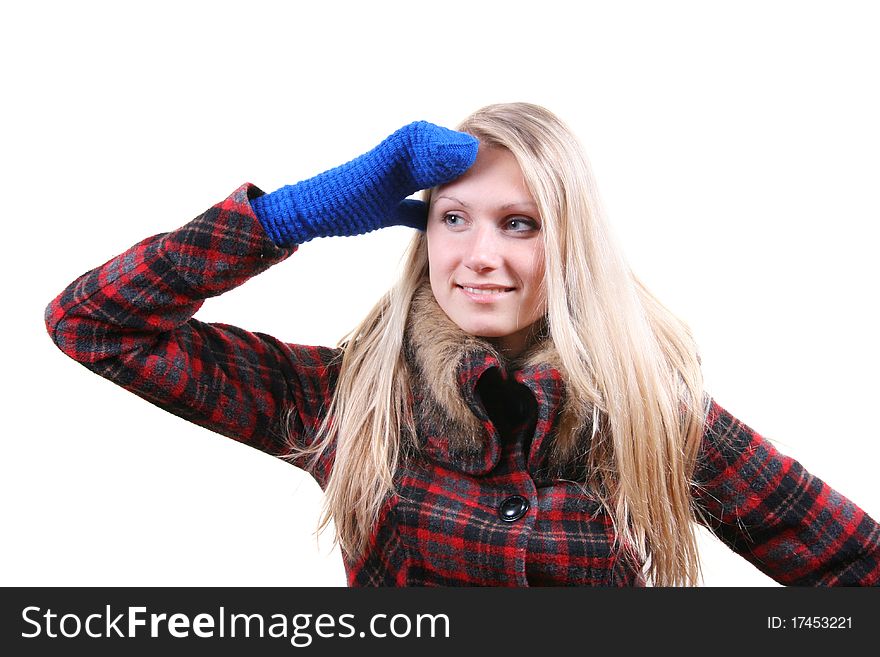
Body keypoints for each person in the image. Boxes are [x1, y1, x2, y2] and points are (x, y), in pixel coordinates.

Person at [45, 102, 880, 586]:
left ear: (572, 244)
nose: (480, 254)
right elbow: (95, 326)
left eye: (519, 223)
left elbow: (854, 570)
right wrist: (283, 218)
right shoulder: (351, 398)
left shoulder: (654, 416)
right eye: (454, 218)